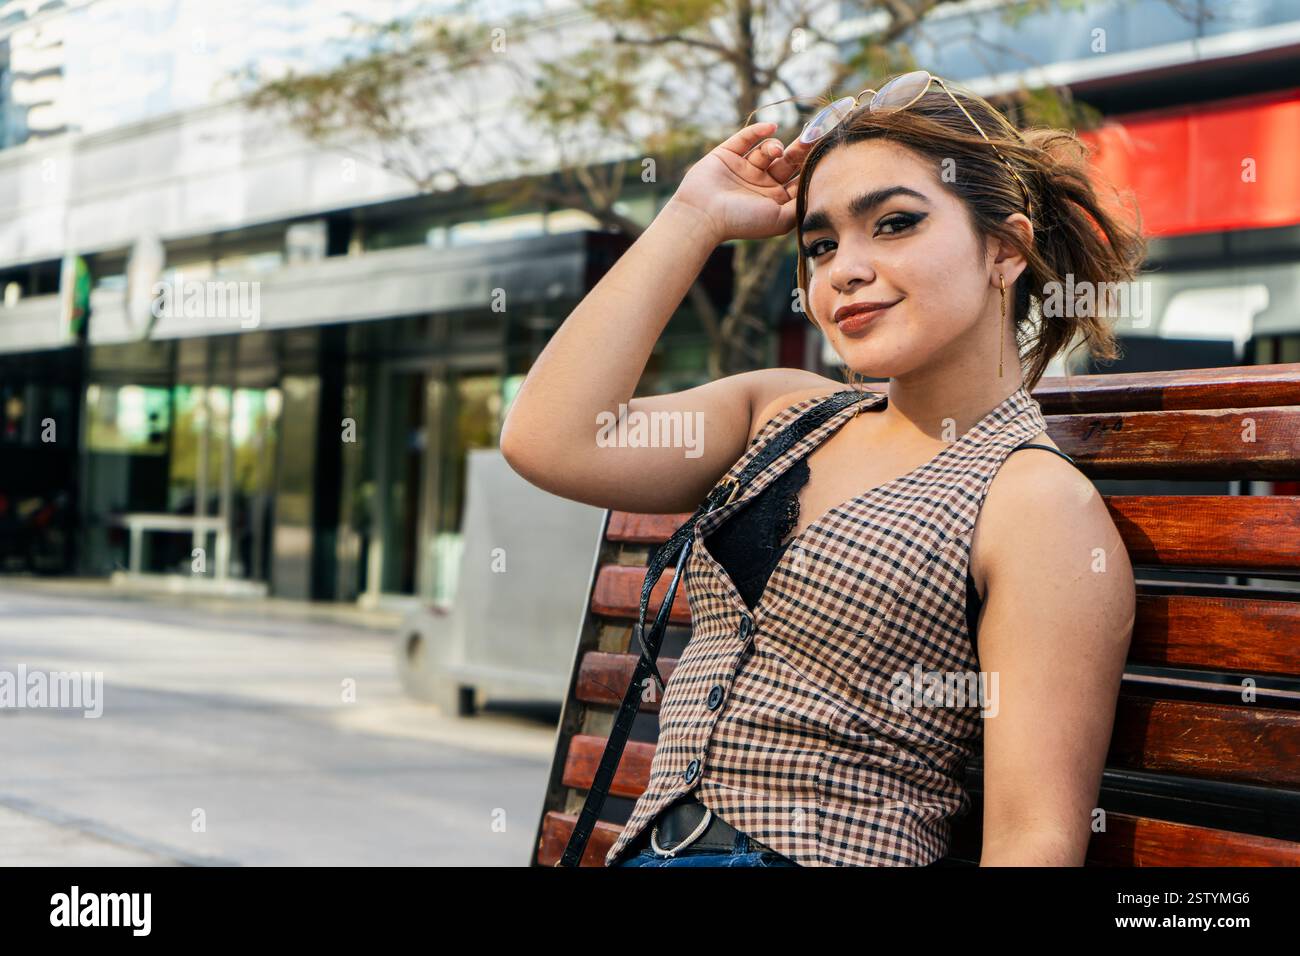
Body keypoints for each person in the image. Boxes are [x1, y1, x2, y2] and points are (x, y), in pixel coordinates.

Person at [501, 71, 1141, 867]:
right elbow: (552, 437)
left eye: (896, 223)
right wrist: (695, 215)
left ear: (1004, 252)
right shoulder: (785, 413)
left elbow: (1032, 837)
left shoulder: (1032, 500)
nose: (844, 269)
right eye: (821, 244)